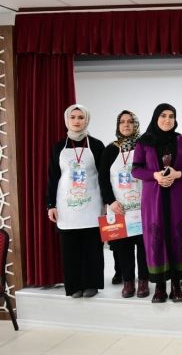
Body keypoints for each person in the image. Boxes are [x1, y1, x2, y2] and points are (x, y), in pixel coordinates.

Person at [131, 103, 182, 303]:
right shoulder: (144, 142)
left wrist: (177, 174)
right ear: (155, 117)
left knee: (179, 237)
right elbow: (136, 170)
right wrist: (155, 175)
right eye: (163, 115)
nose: (167, 119)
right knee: (156, 238)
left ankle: (176, 286)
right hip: (153, 198)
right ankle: (159, 287)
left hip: (178, 198)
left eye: (171, 116)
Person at [46, 104, 105, 298]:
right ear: (67, 120)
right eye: (73, 117)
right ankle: (74, 286)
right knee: (70, 249)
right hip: (66, 205)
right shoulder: (58, 147)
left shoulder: (96, 145)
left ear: (86, 120)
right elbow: (53, 177)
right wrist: (50, 205)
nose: (77, 121)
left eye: (81, 117)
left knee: (92, 247)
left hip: (92, 203)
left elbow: (103, 176)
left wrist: (107, 202)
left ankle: (92, 284)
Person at [99, 110, 150, 298]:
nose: (126, 125)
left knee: (144, 246)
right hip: (119, 208)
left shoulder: (145, 147)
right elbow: (103, 178)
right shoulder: (110, 150)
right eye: (122, 122)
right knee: (123, 247)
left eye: (130, 121)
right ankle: (128, 281)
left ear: (136, 124)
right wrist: (110, 201)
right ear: (118, 125)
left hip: (142, 207)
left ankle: (143, 281)